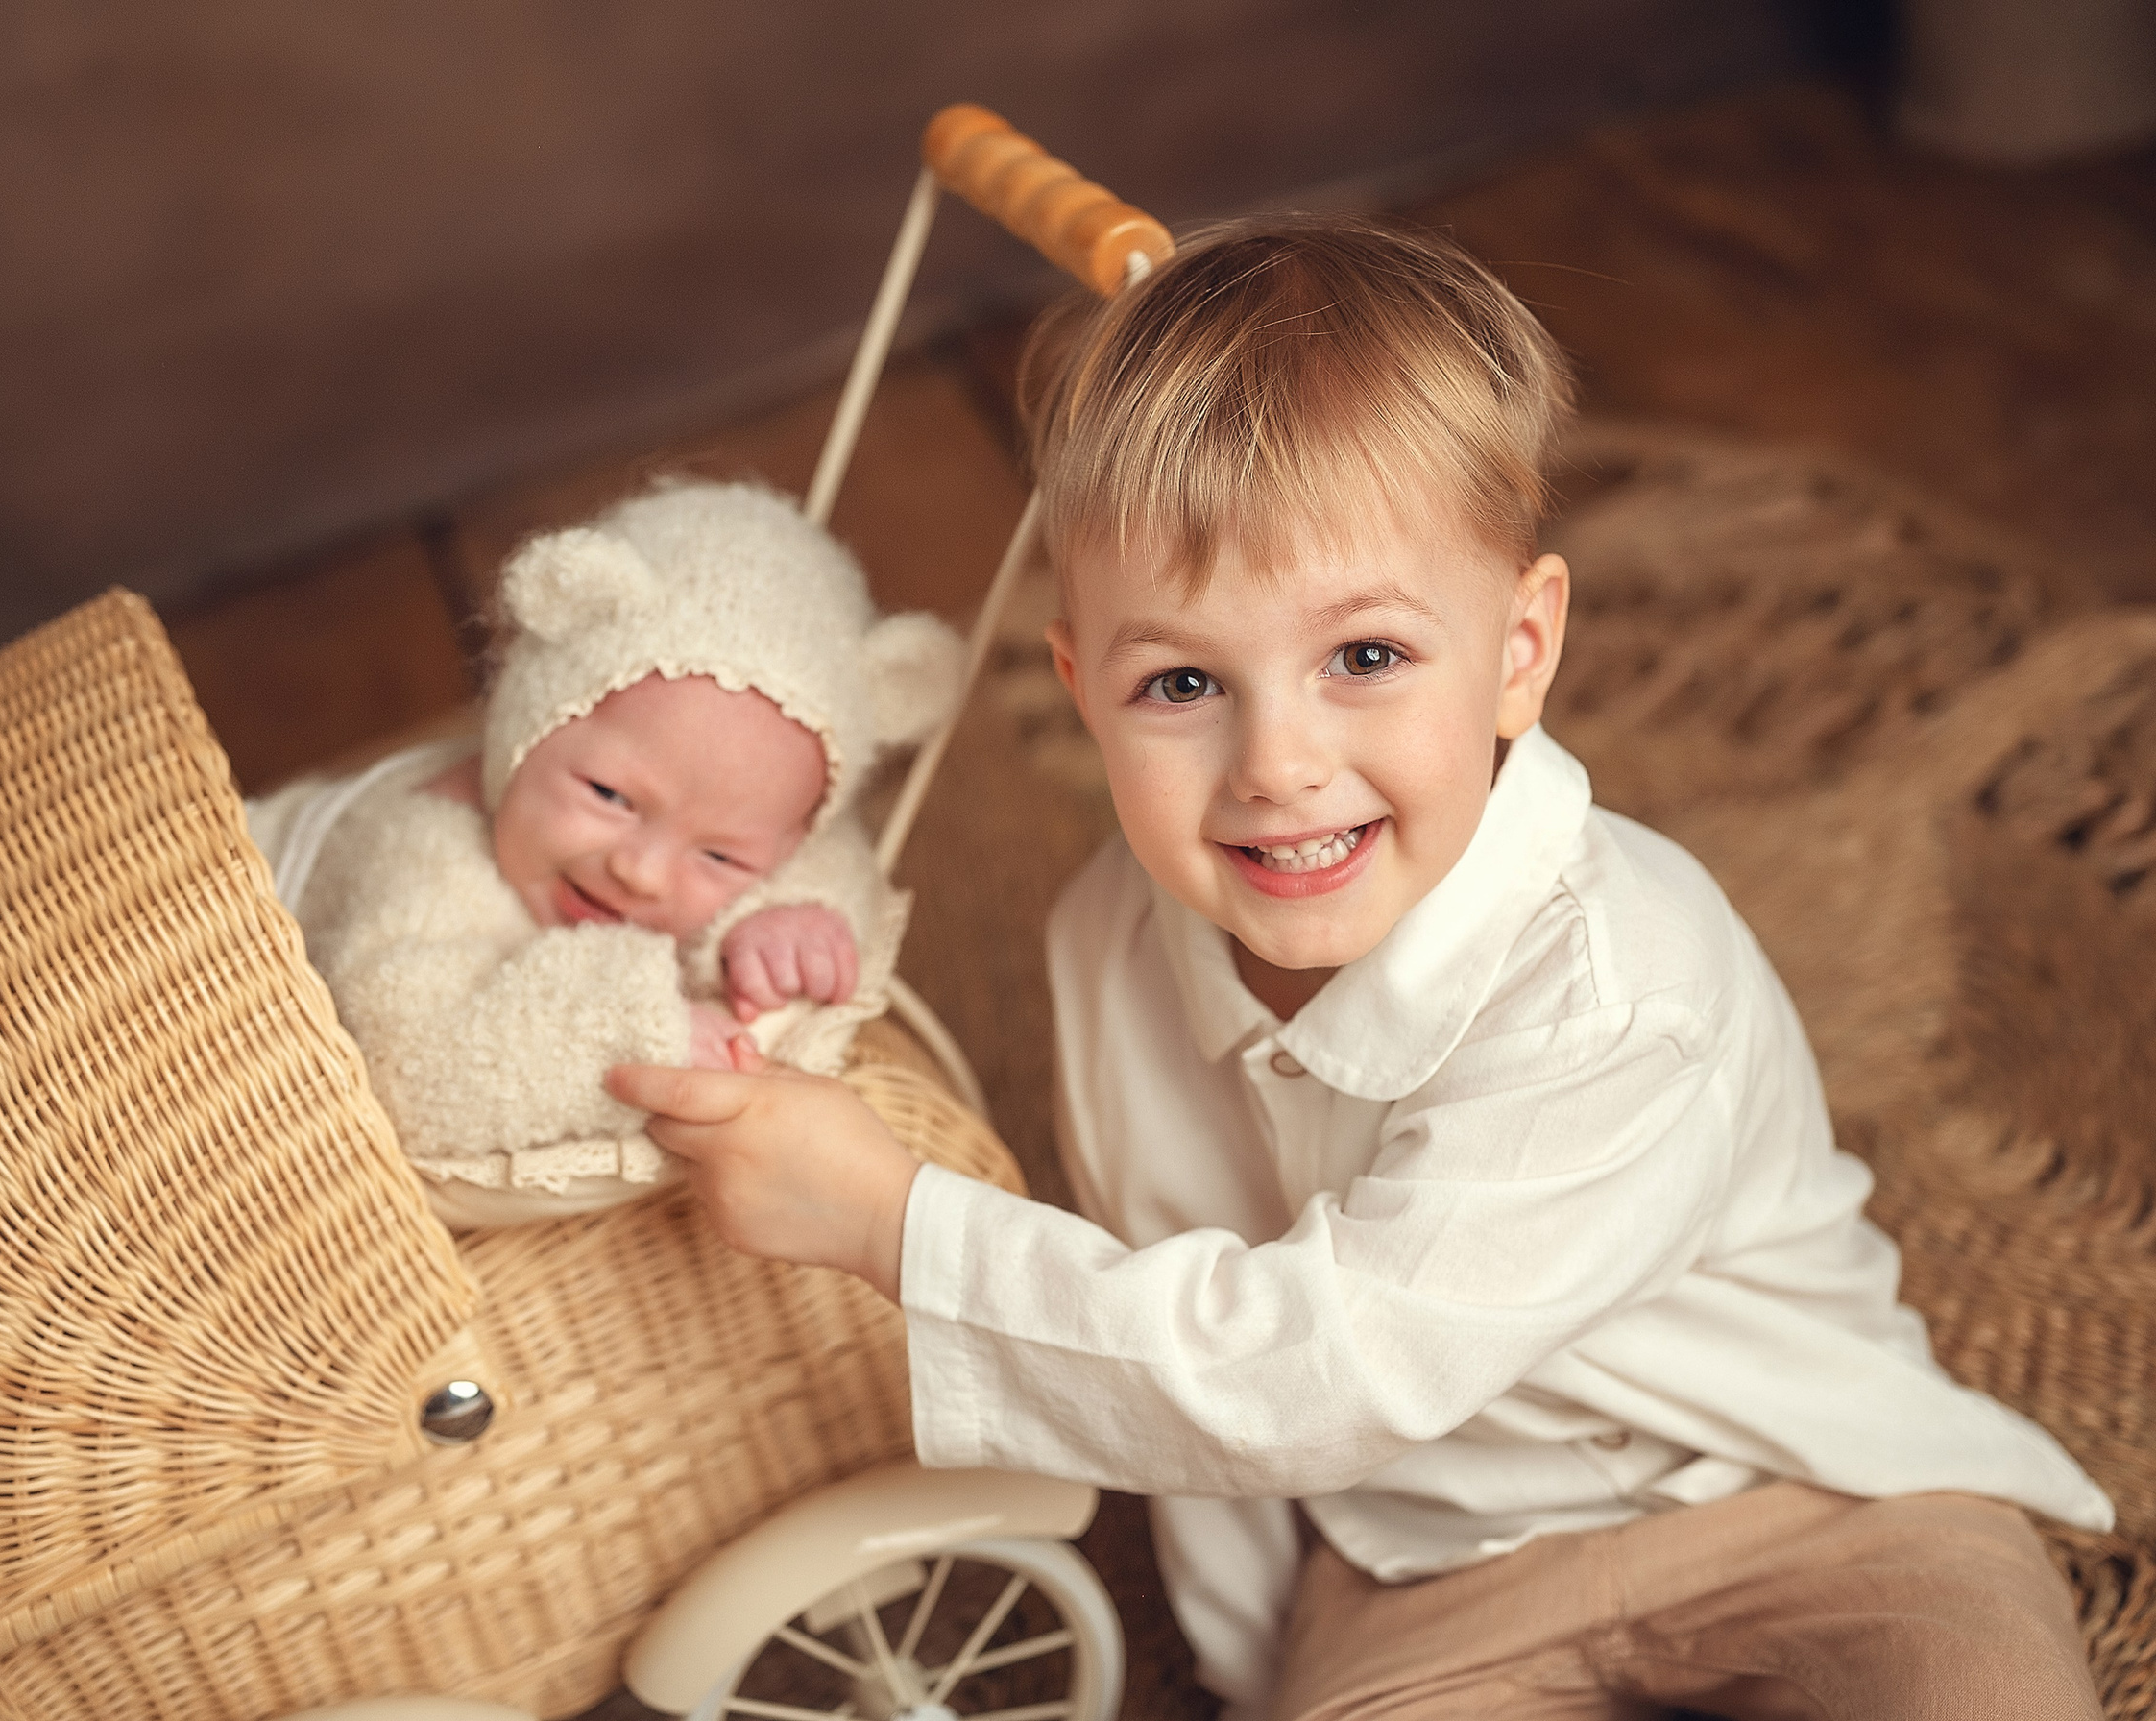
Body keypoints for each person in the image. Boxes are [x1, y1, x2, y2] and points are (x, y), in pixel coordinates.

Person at [608, 217, 2116, 1717]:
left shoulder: (1624, 989)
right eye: (1184, 682)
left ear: (1521, 649)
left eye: (1367, 659)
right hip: (1424, 1569)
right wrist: (1266, 1671)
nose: (1280, 765)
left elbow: (1316, 1373)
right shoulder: (1105, 944)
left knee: (1983, 1688)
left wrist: (897, 1227)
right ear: (1081, 691)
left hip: (1798, 1496)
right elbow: (1188, 1316)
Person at [250, 478, 963, 1219]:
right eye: (609, 796)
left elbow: (828, 852)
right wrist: (628, 1032)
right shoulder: (423, 845)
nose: (640, 872)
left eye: (721, 858)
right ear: (524, 730)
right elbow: (400, 1063)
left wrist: (791, 917)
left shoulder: (750, 819)